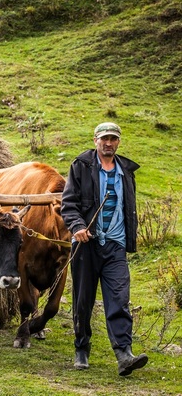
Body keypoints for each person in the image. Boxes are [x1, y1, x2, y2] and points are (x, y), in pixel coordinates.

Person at [60, 122, 148, 376]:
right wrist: (77, 226)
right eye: (104, 138)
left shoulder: (126, 171)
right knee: (83, 300)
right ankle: (81, 348)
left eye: (113, 139)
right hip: (86, 244)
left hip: (115, 246)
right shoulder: (81, 166)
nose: (109, 143)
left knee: (119, 298)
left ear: (118, 142)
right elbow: (69, 203)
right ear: (95, 140)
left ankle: (124, 354)